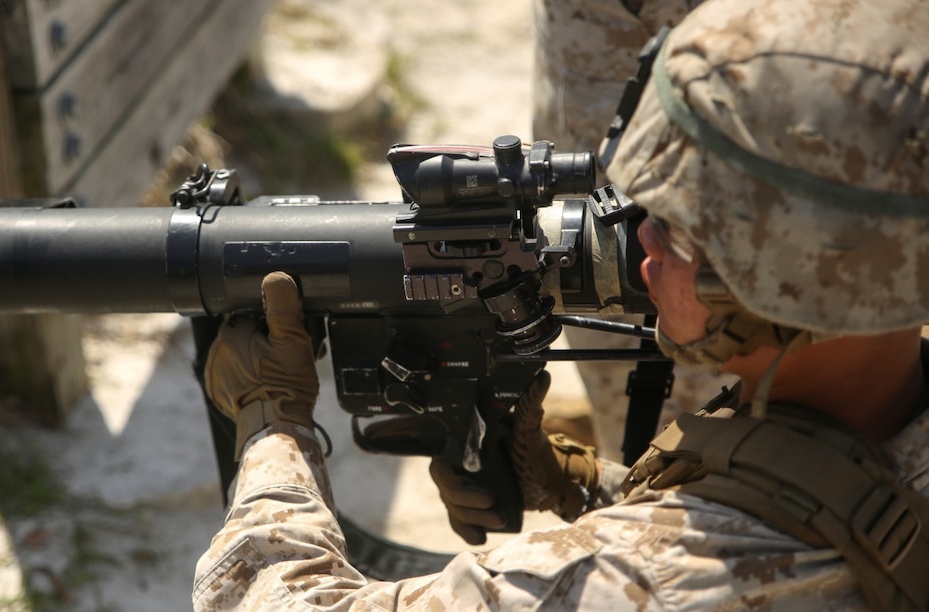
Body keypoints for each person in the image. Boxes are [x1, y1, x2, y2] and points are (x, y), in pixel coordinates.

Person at [193, 0, 929, 608]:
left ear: (782, 285)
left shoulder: (624, 585)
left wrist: (271, 420)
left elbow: (262, 599)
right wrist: (584, 485)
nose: (638, 242)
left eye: (674, 227)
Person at [533, 0, 738, 466]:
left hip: (760, 98)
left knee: (729, 417)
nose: (650, 246)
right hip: (590, 69)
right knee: (629, 418)